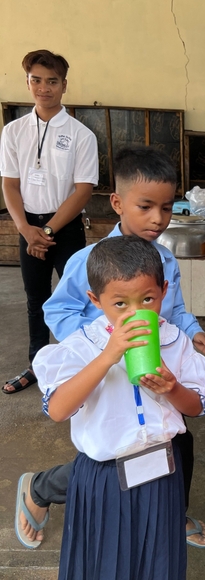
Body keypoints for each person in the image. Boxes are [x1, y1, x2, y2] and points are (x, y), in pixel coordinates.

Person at [15, 146, 205, 551]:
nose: (158, 219)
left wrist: (192, 332)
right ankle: (39, 489)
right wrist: (101, 343)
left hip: (151, 366)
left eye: (166, 207)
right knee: (109, 455)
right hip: (106, 368)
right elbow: (58, 308)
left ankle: (170, 512)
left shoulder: (164, 258)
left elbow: (173, 308)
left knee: (171, 441)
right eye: (145, 207)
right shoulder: (89, 260)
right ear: (117, 203)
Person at [32, 235, 205, 580]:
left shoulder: (175, 341)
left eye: (147, 299)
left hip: (161, 473)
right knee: (102, 575)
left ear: (164, 291)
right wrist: (107, 356)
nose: (135, 312)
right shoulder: (81, 345)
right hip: (103, 479)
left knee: (154, 571)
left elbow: (195, 407)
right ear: (95, 300)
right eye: (120, 304)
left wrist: (172, 388)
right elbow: (58, 409)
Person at [1, 49, 99, 394]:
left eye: (52, 81)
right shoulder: (13, 131)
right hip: (28, 227)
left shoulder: (81, 135)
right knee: (36, 299)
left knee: (80, 298)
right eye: (36, 80)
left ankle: (87, 366)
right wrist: (26, 229)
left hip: (65, 227)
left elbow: (84, 190)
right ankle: (38, 367)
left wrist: (46, 231)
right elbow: (10, 184)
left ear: (64, 85)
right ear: (28, 82)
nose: (44, 88)